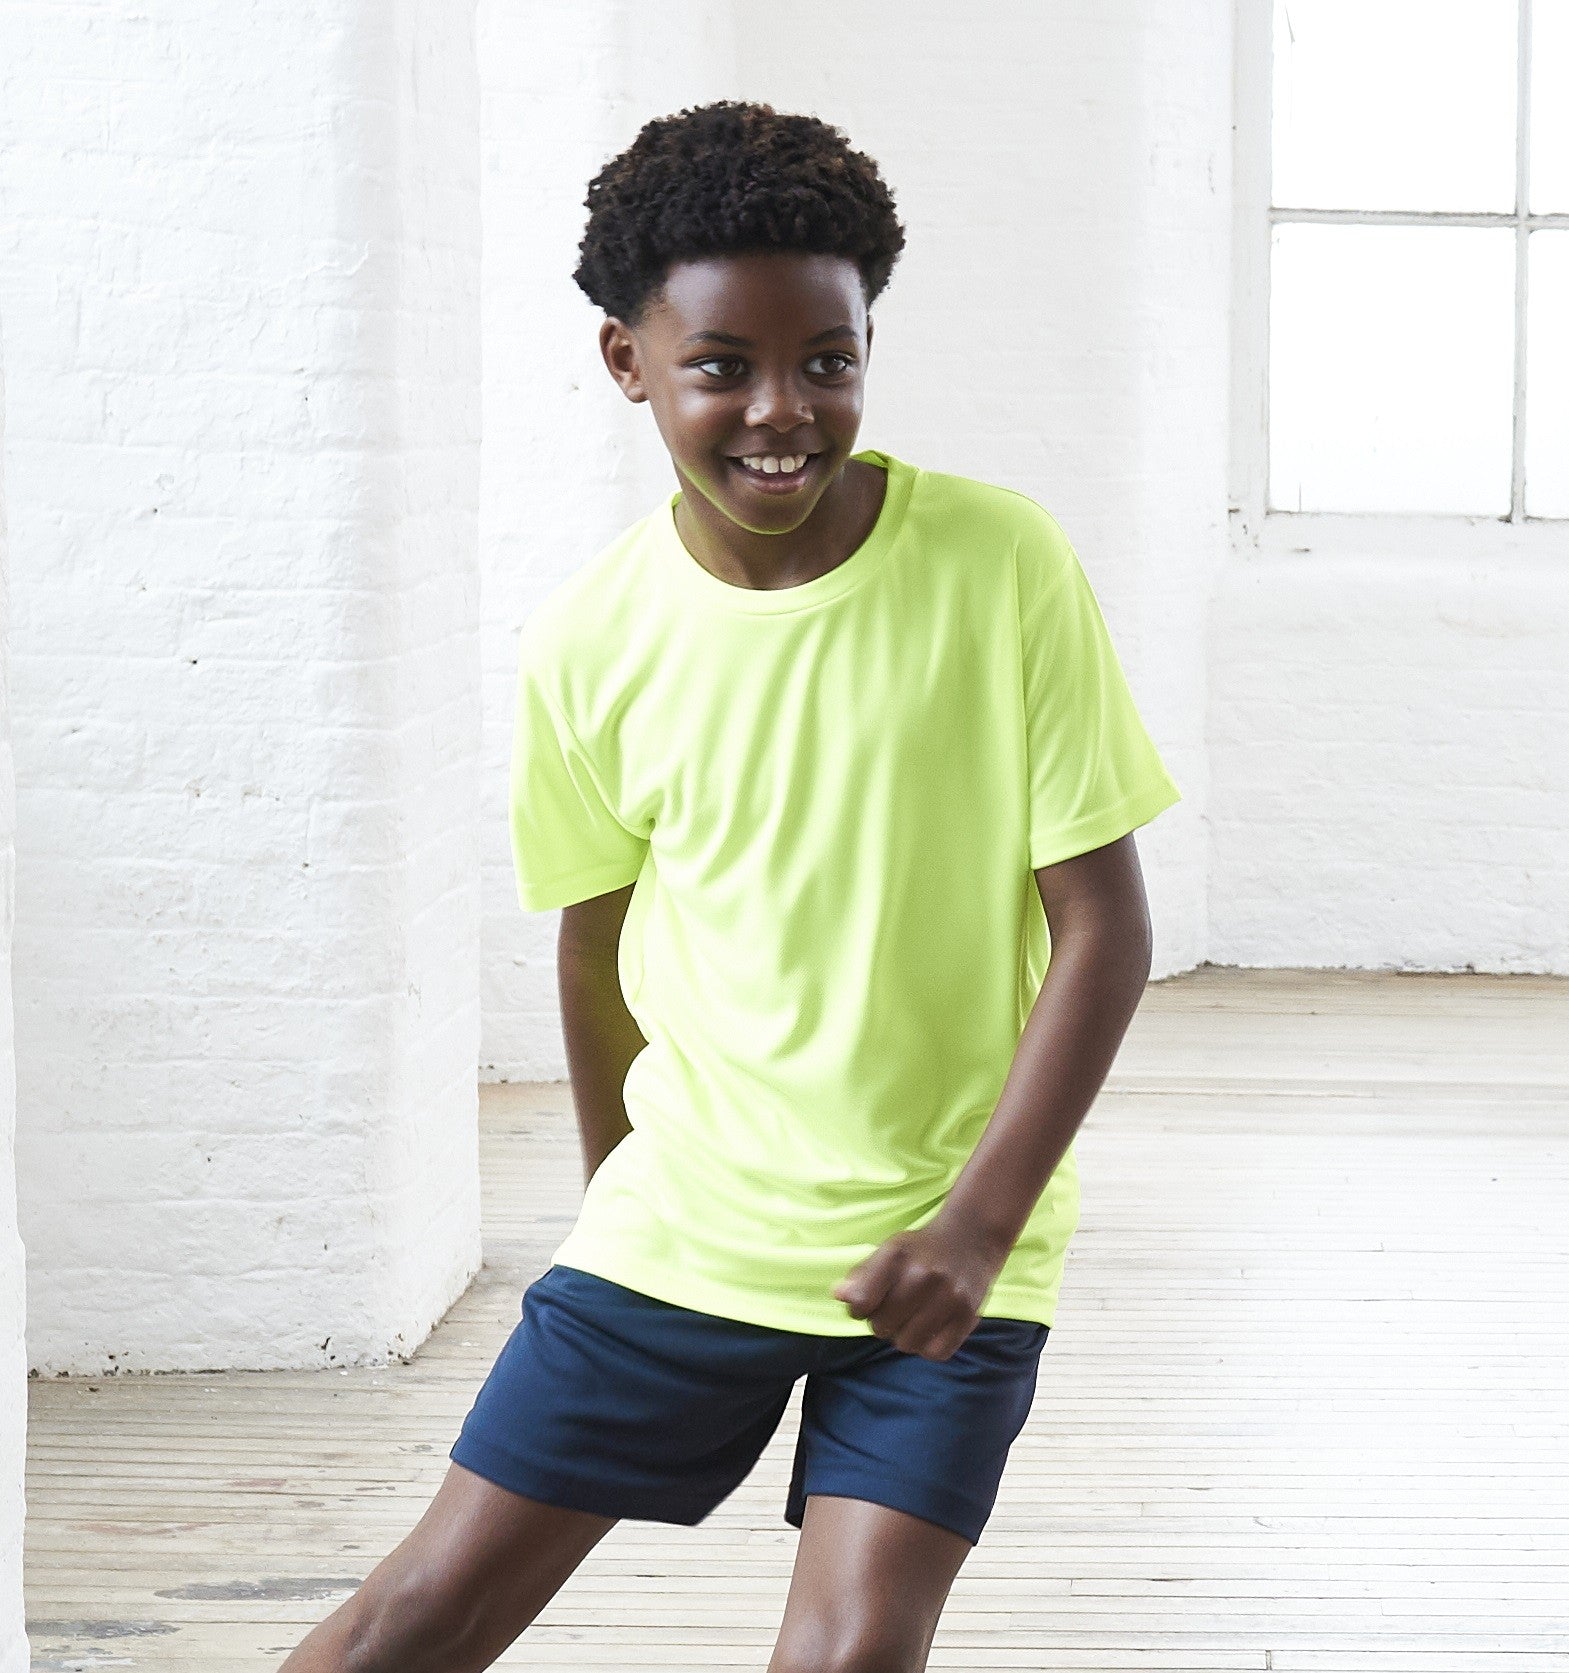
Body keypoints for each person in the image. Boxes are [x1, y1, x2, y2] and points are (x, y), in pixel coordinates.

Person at [281, 97, 1180, 1673]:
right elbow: (595, 941)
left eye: (826, 360)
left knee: (851, 1649)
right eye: (721, 367)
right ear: (627, 361)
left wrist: (978, 1225)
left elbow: (1100, 924)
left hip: (950, 1242)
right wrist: (618, 1197)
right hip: (686, 1225)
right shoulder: (590, 639)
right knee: (411, 1620)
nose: (782, 410)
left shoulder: (999, 564)